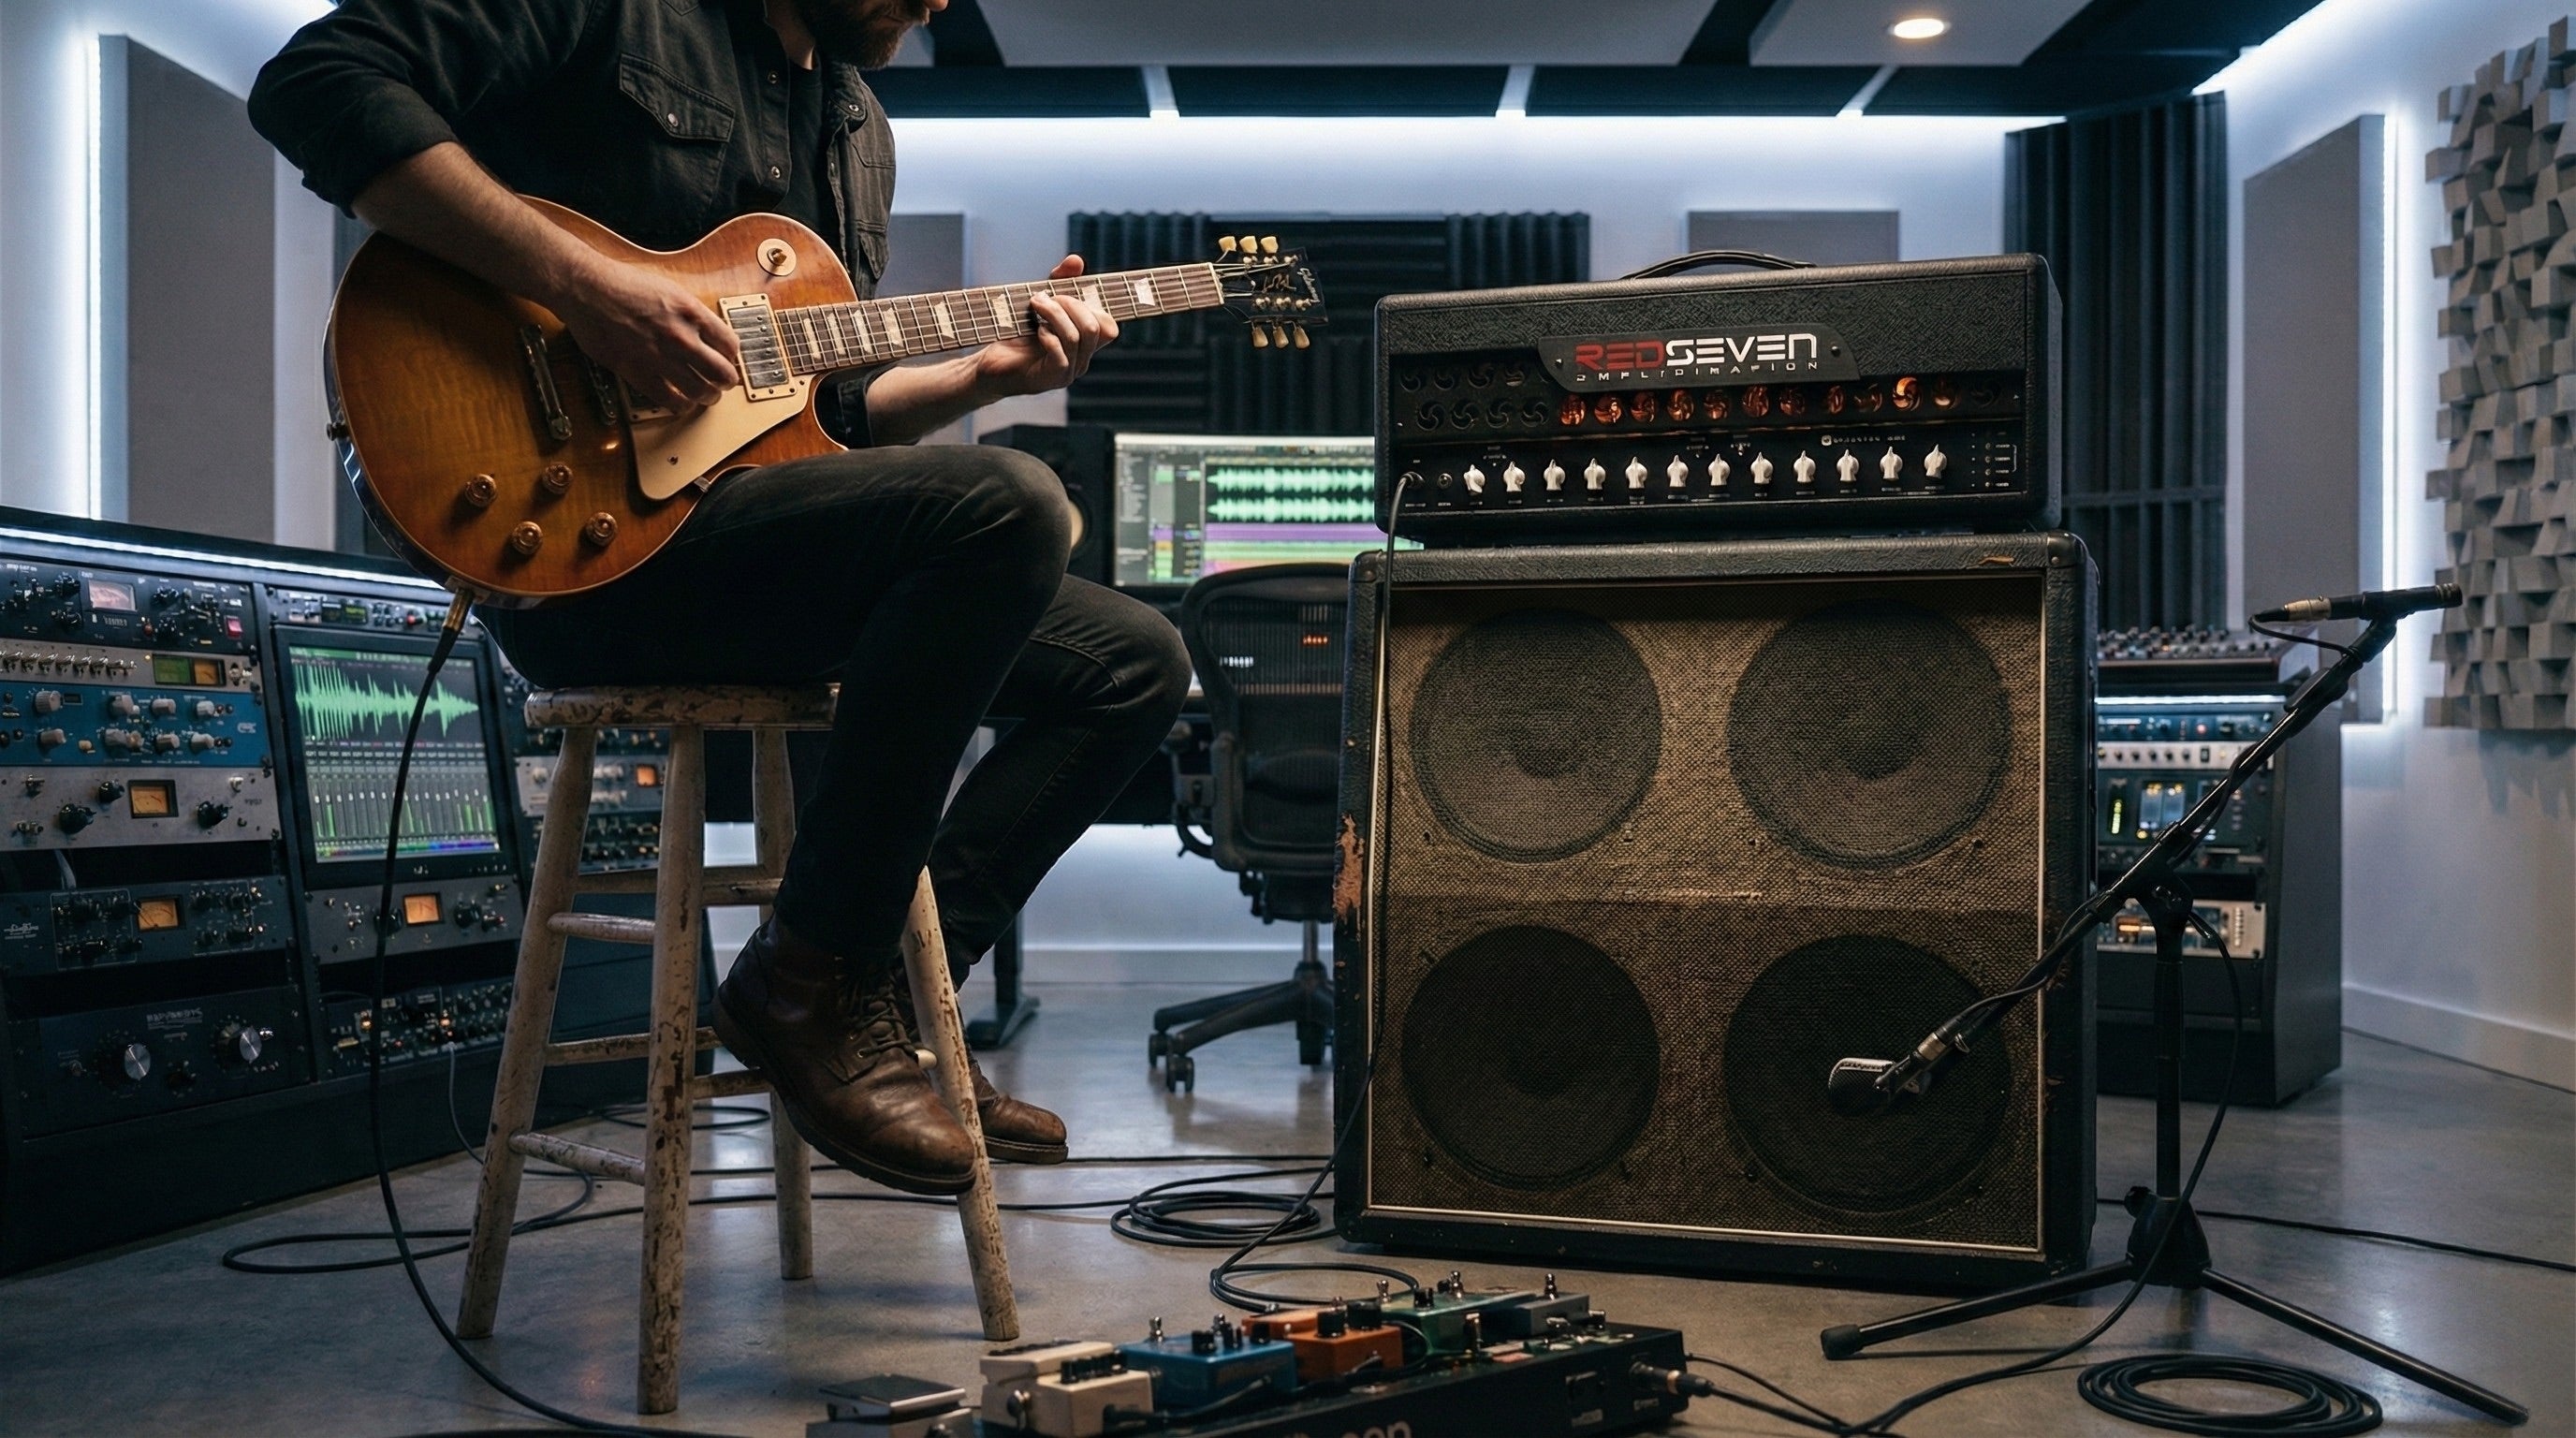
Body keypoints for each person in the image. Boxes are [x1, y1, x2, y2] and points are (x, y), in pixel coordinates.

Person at [250, 0, 1192, 1196]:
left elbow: (821, 424)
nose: (942, 3)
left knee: (1135, 663)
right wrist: (591, 293)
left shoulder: (854, 128)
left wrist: (980, 377)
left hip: (743, 540)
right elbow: (317, 82)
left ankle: (882, 1010)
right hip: (578, 557)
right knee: (1010, 503)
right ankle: (814, 984)